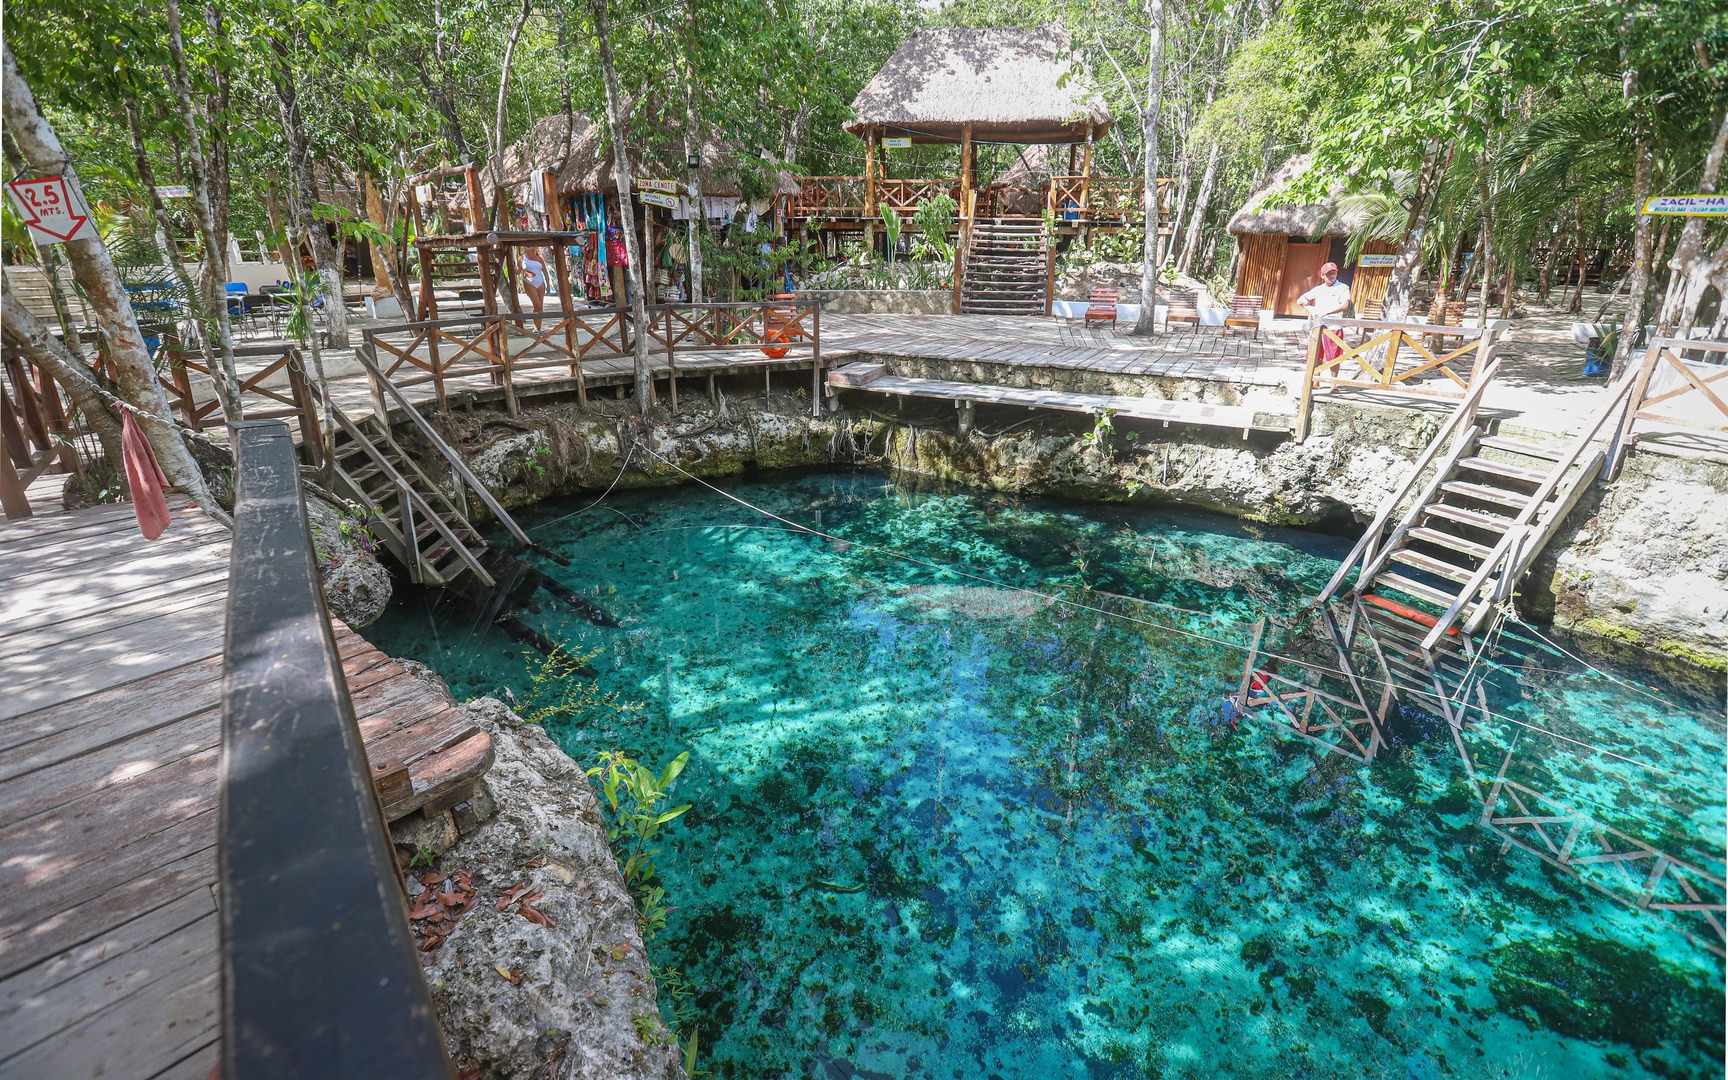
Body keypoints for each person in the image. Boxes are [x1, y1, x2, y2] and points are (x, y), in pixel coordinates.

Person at [1297, 261, 1352, 365]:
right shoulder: (1319, 289)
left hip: (1334, 327)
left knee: (1334, 358)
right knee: (1316, 356)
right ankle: (1316, 376)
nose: (1332, 276)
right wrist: (1305, 304)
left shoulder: (1343, 288)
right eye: (1328, 274)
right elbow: (1303, 298)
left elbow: (1345, 306)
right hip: (1317, 326)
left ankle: (1333, 376)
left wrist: (1325, 313)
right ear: (1322, 275)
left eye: (1334, 273)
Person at [519, 246, 547, 330]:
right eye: (530, 246)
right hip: (529, 282)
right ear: (525, 248)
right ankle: (536, 326)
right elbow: (518, 271)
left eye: (533, 246)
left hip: (540, 282)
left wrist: (548, 284)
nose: (533, 248)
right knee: (537, 304)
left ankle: (538, 327)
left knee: (540, 306)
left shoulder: (539, 258)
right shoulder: (522, 258)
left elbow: (545, 271)